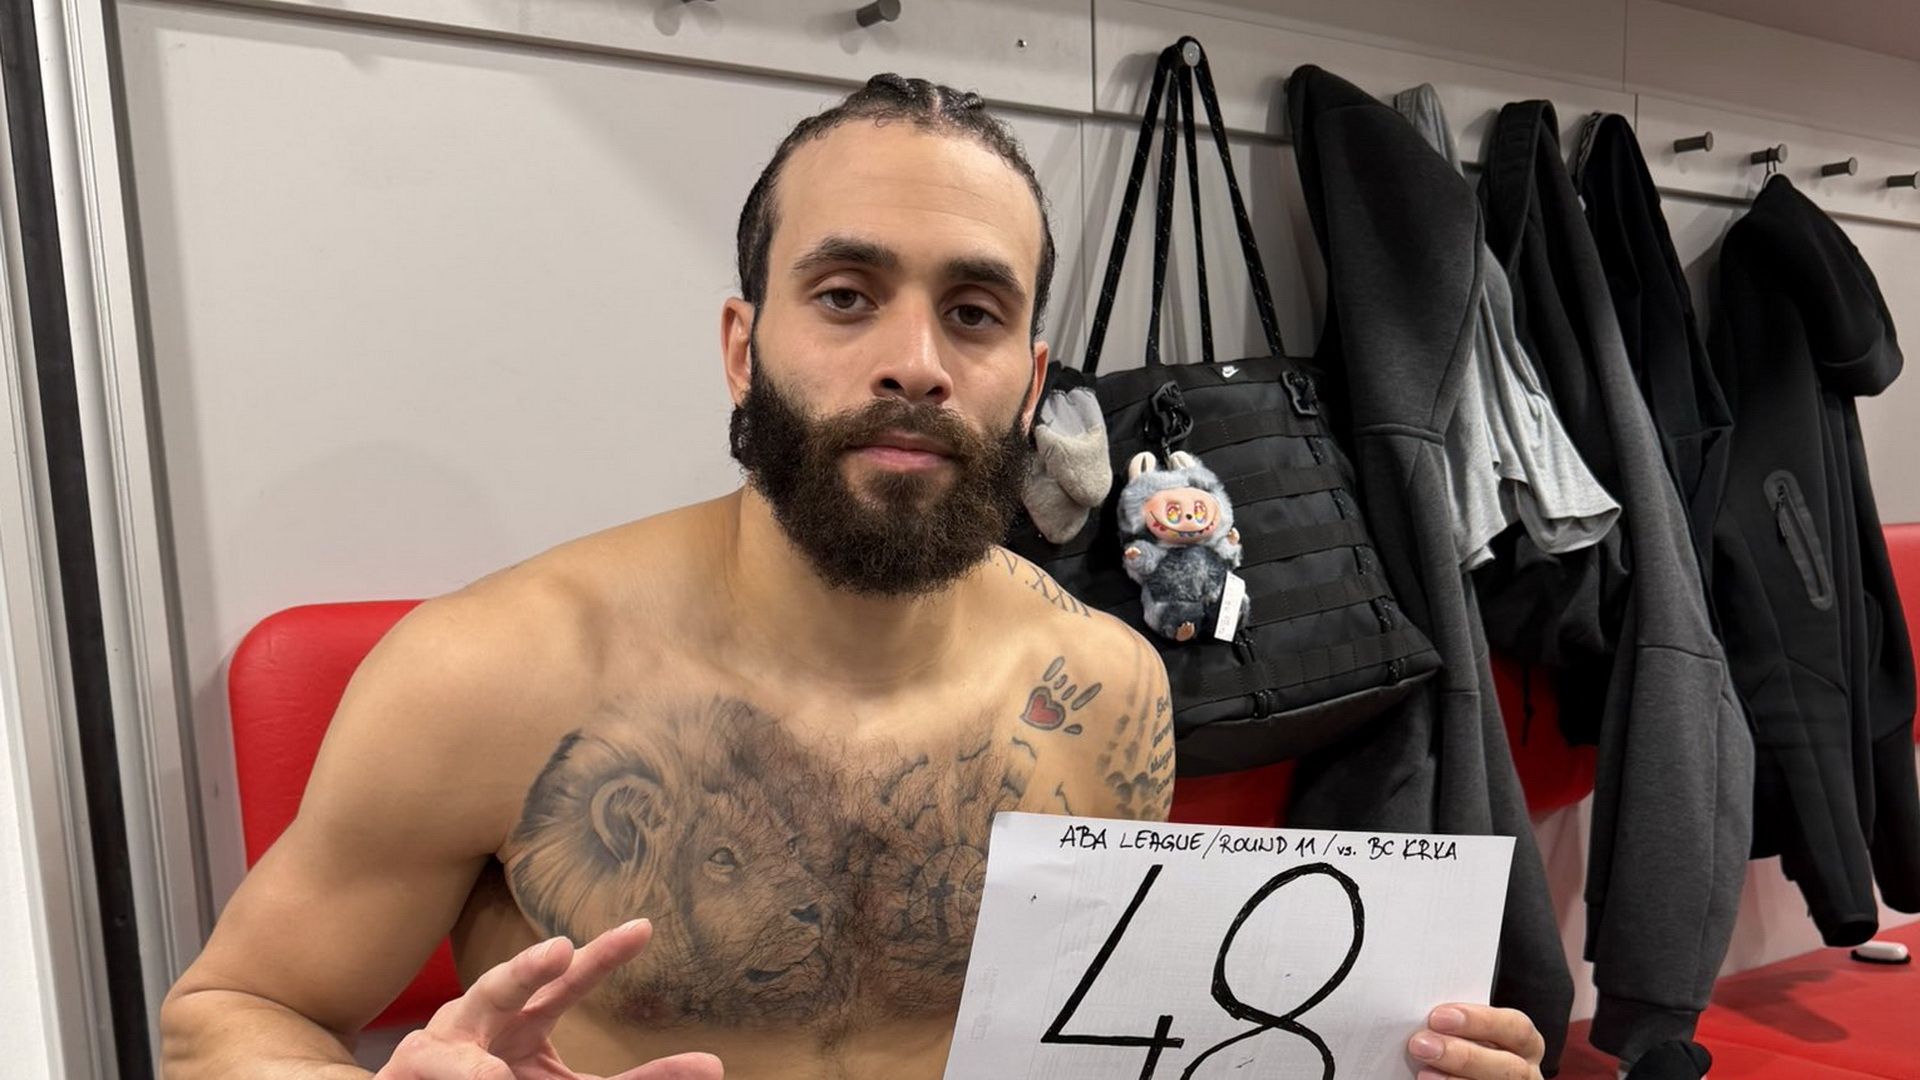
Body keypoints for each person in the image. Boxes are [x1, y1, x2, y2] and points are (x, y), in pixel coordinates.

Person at [159, 75, 1549, 1080]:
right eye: (845, 295)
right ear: (740, 345)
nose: (915, 363)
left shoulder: (1106, 687)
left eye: (974, 313)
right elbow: (225, 1018)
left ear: (1029, 387)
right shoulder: (496, 675)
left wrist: (1397, 1057)